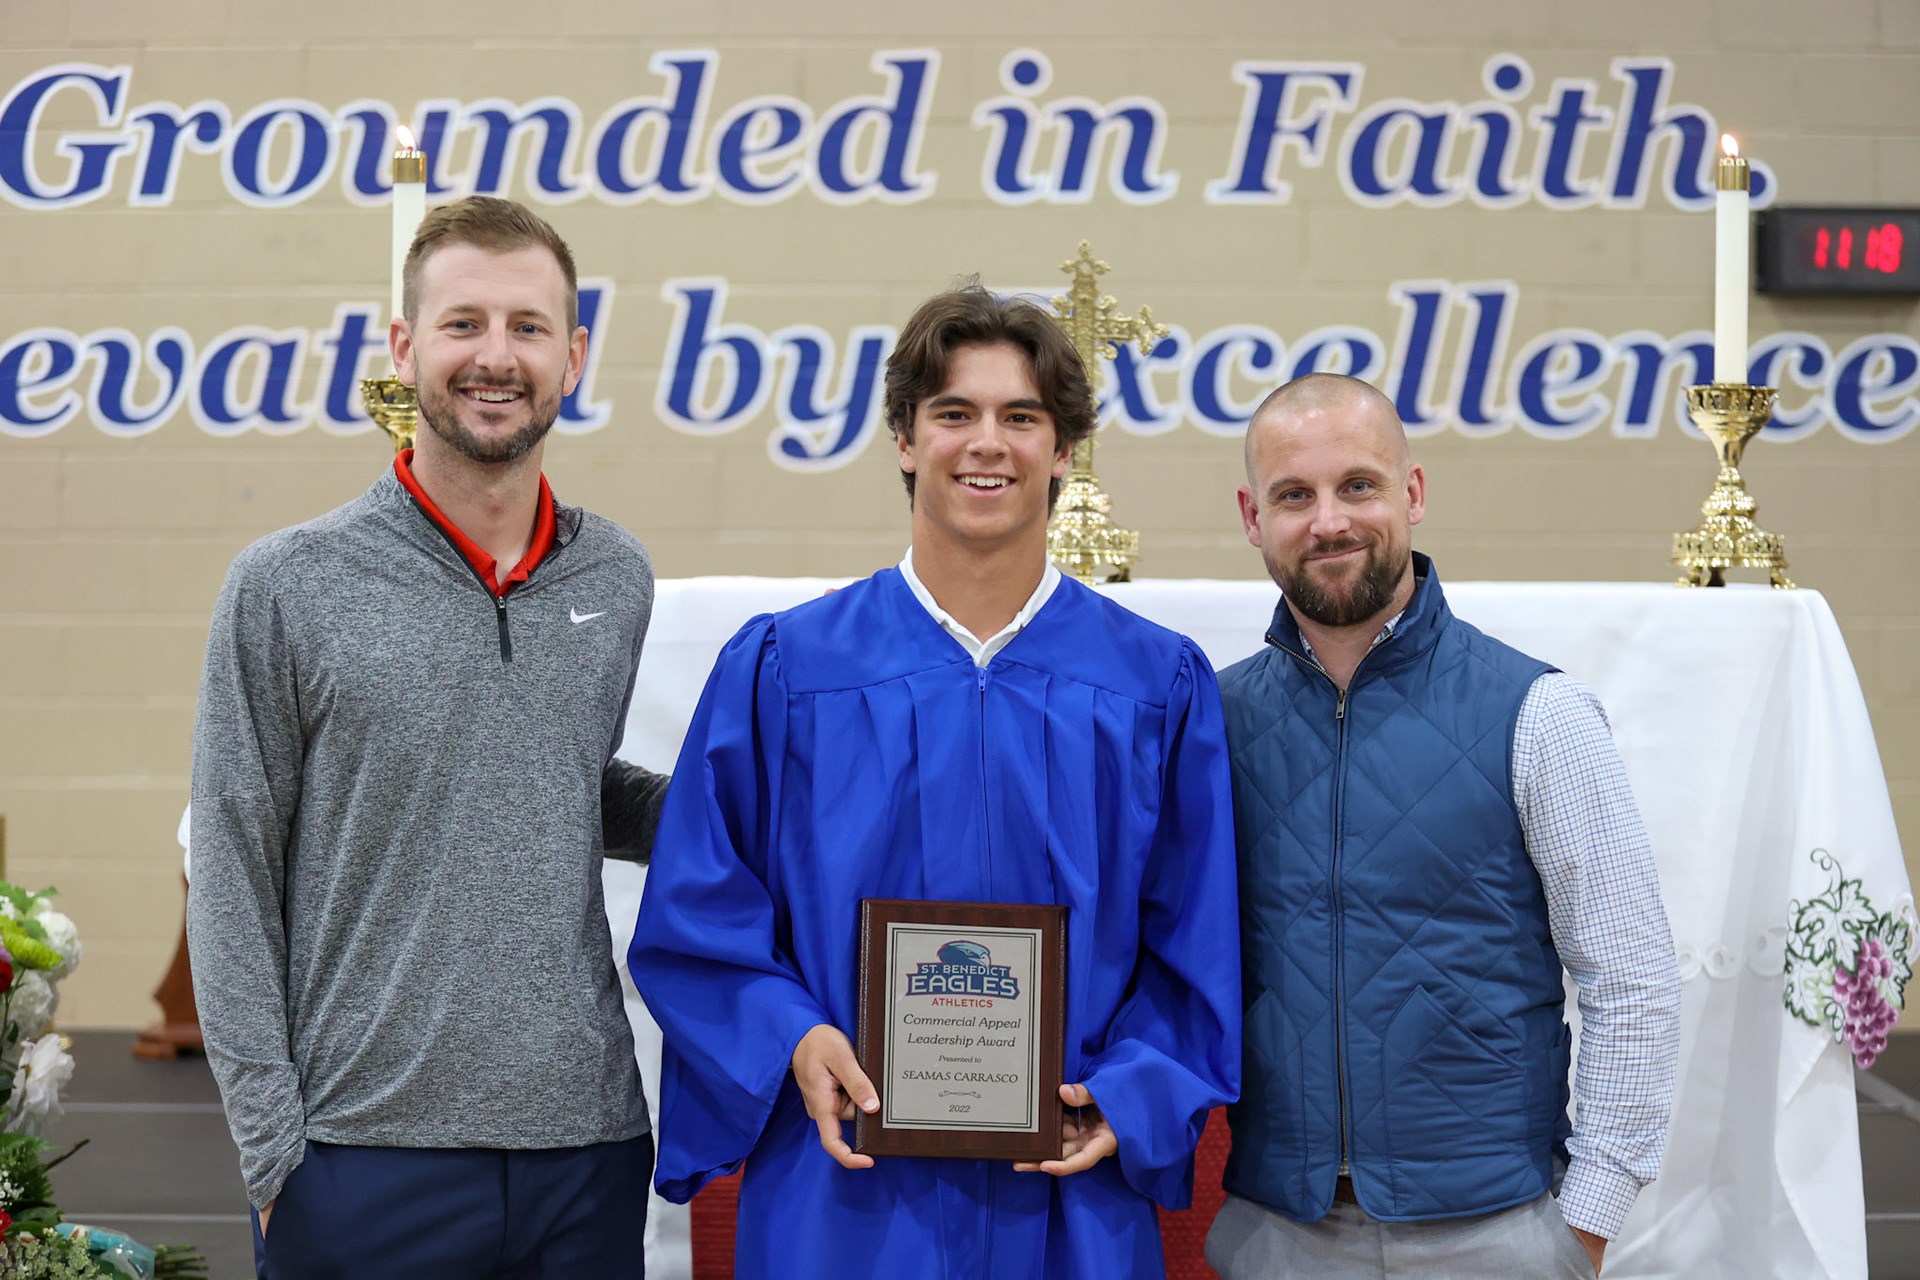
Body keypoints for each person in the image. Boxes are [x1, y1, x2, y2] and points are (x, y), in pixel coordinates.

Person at [629, 284, 1240, 1279]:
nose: (986, 443)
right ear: (906, 439)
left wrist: (1130, 1094)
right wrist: (791, 1034)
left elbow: (1198, 940)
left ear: (1065, 449)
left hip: (1066, 1186)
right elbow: (699, 908)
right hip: (848, 1191)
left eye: (1021, 417)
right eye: (954, 413)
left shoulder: (1153, 685)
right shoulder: (788, 669)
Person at [188, 195, 661, 1279]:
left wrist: (758, 803)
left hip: (583, 1149)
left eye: (529, 328)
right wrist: (273, 1151)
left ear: (574, 355)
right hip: (360, 1156)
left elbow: (559, 784)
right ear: (404, 347)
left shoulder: (615, 576)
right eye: (463, 323)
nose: (496, 356)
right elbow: (229, 866)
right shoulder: (287, 583)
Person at [1205, 372, 1682, 1278]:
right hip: (1277, 1231)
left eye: (1359, 485)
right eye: (1293, 495)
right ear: (1251, 514)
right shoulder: (1213, 723)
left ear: (1412, 493)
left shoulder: (1538, 712)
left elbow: (1632, 977)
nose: (1329, 521)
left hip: (1498, 1233)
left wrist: (1584, 1226)